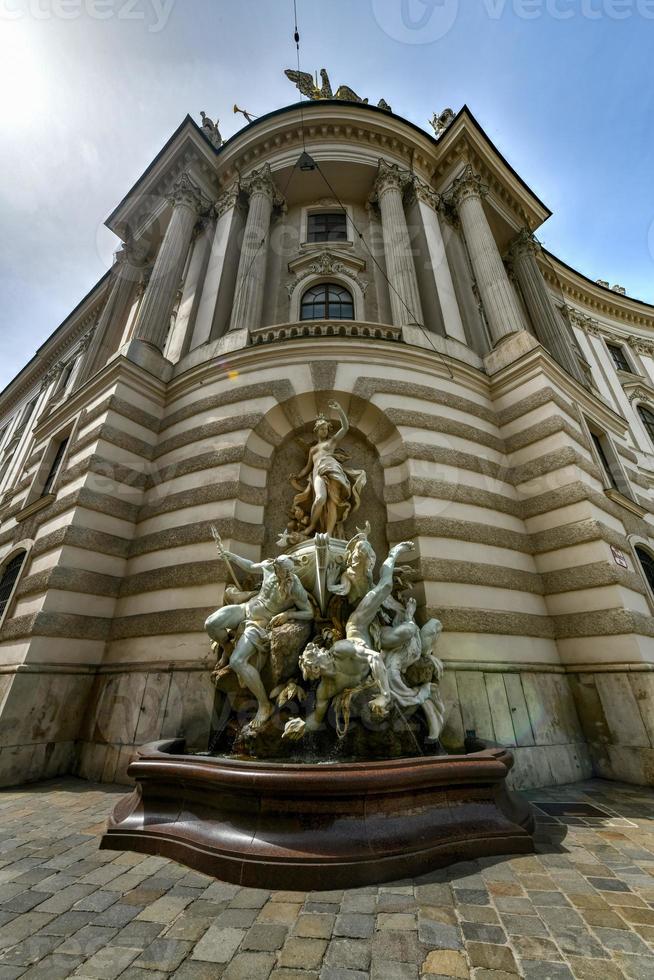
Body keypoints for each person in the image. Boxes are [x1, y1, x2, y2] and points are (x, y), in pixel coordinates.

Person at [283, 540, 414, 740]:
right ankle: (409, 619)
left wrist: (384, 696)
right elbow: (316, 719)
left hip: (358, 624)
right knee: (408, 632)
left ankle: (394, 553)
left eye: (319, 653)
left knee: (386, 585)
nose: (322, 652)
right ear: (316, 670)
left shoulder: (340, 650)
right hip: (376, 642)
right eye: (318, 657)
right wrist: (303, 726)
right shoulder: (325, 690)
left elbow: (375, 659)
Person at [205, 550, 313, 729]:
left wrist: (288, 614)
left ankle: (264, 704)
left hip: (259, 624)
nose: (281, 574)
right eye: (279, 570)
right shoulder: (270, 567)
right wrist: (232, 556)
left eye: (285, 572)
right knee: (211, 624)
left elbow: (309, 613)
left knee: (238, 661)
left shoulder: (294, 586)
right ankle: (226, 645)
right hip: (246, 608)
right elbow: (250, 566)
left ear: (290, 571)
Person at [290, 400, 366, 538]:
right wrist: (297, 477)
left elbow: (345, 427)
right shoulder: (313, 450)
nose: (324, 431)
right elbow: (307, 468)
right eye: (322, 428)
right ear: (316, 430)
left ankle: (329, 535)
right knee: (320, 499)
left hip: (333, 470)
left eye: (326, 429)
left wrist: (340, 411)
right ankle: (312, 526)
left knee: (333, 503)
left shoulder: (331, 443)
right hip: (318, 472)